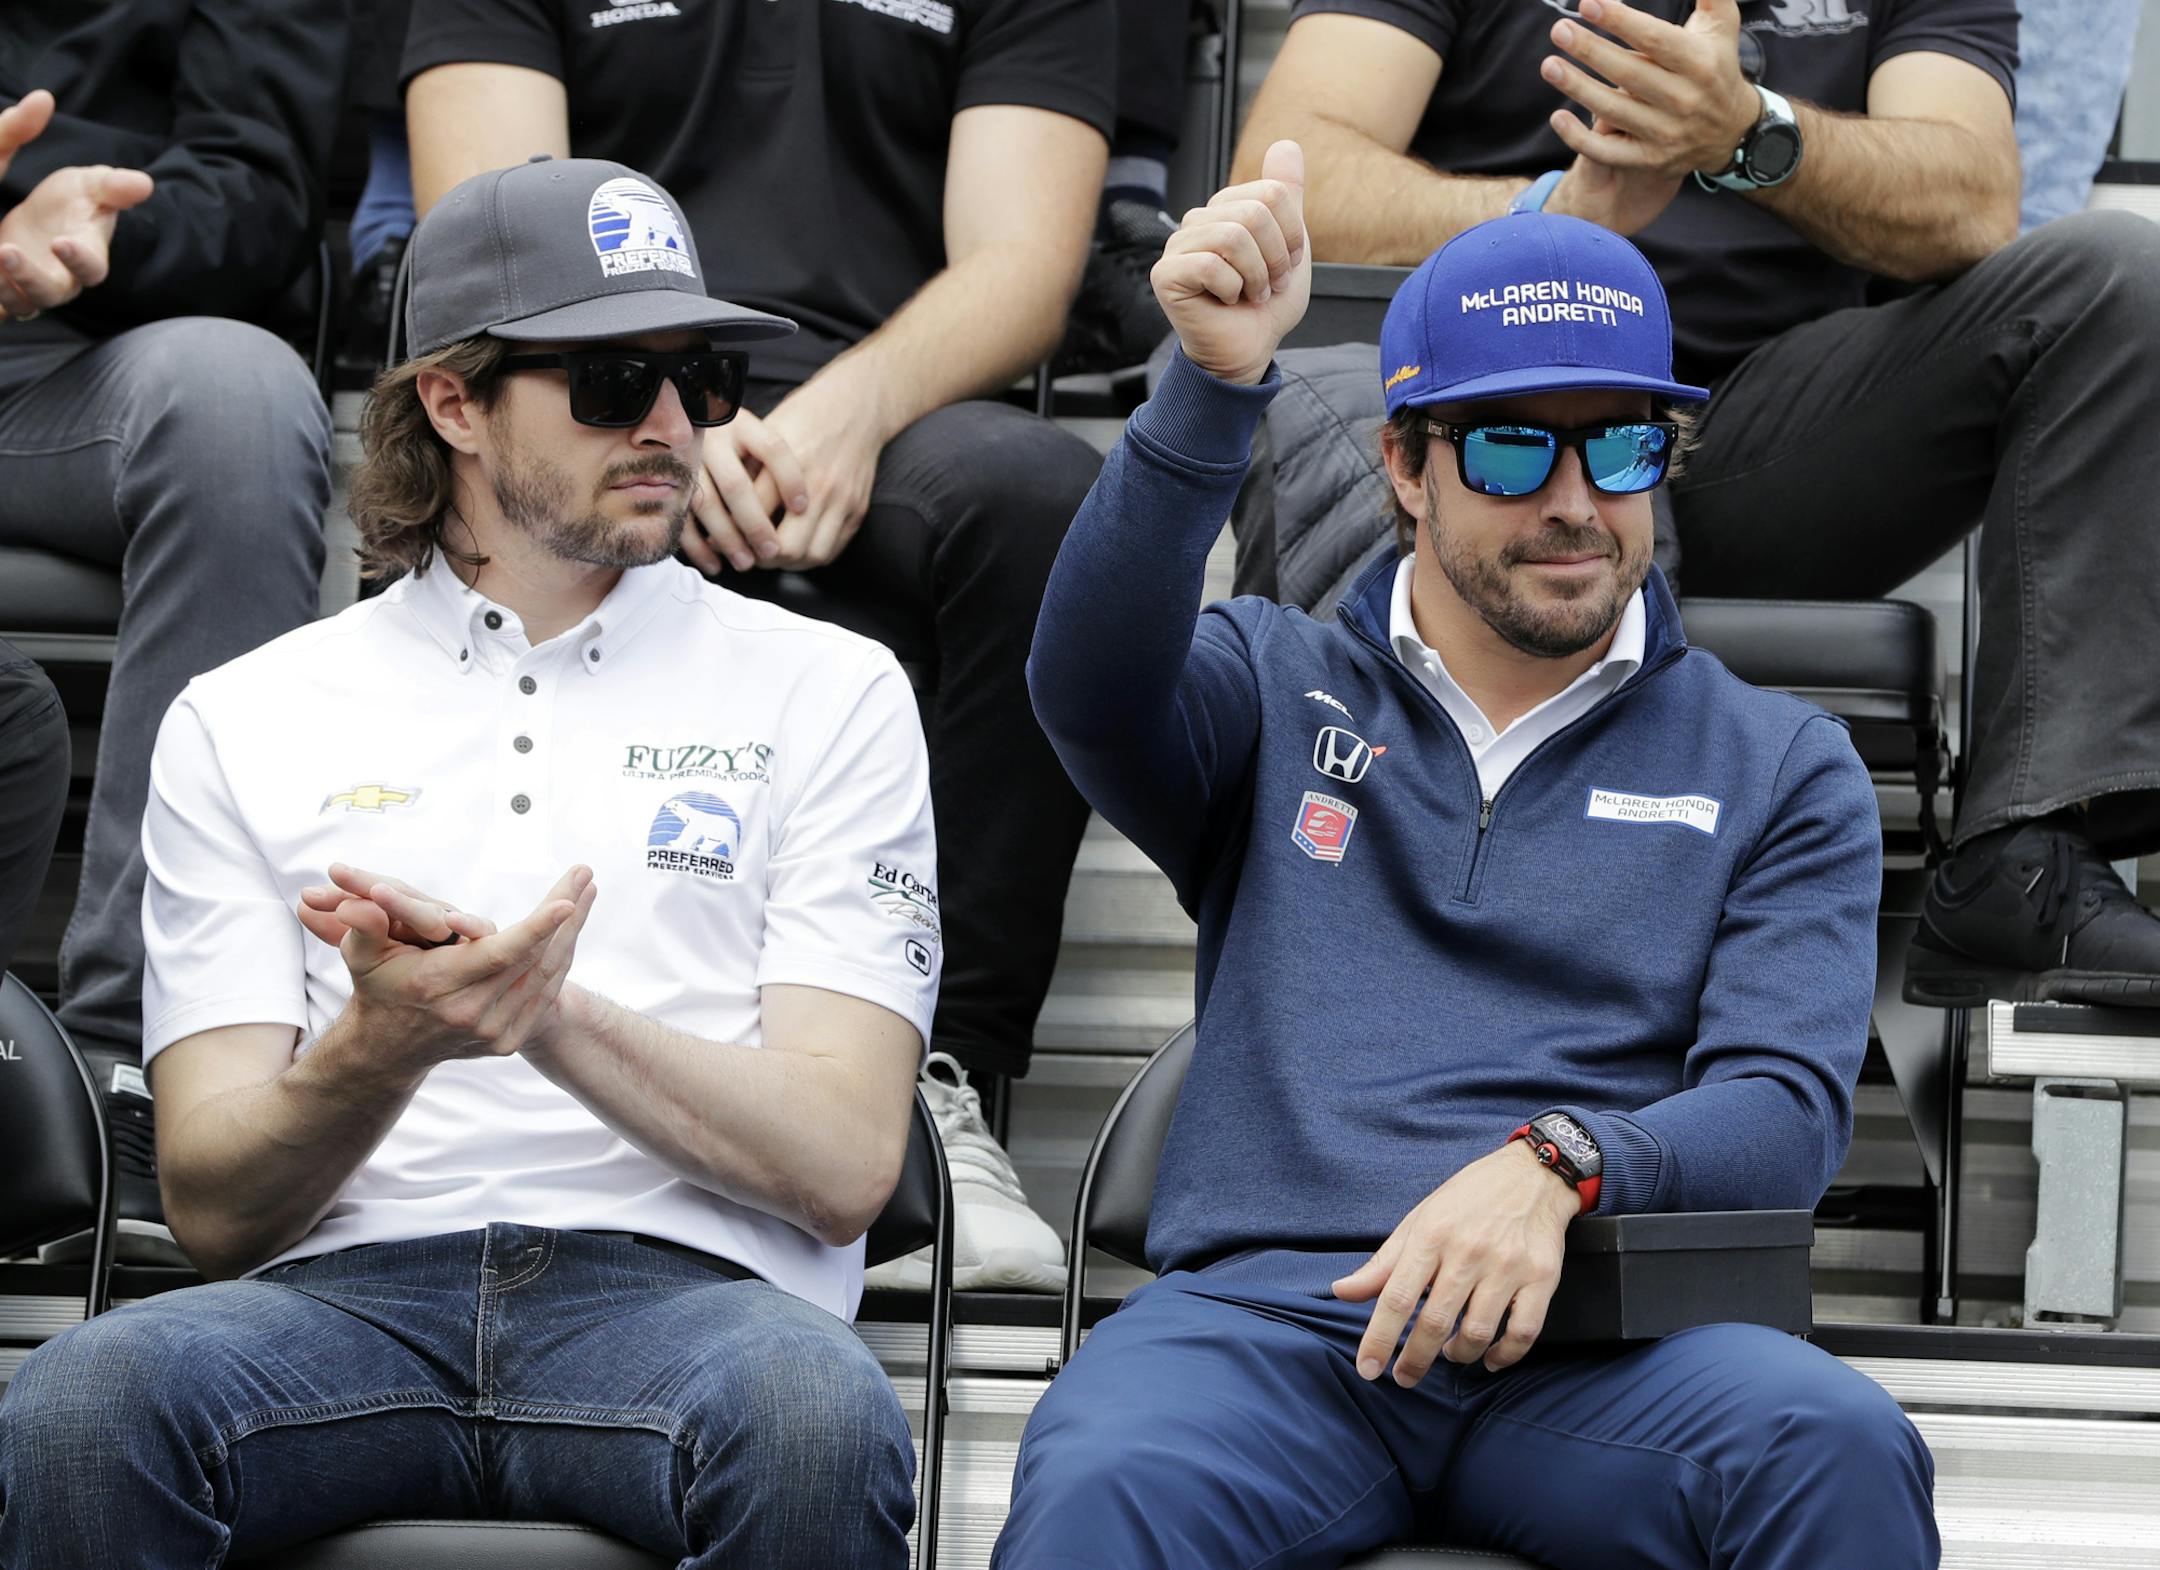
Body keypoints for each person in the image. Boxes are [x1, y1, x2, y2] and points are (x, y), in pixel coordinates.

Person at [998, 144, 1933, 1570]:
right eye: (1509, 444)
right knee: (1105, 1476)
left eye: (1621, 443)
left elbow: (1785, 1114)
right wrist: (1208, 381)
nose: (1574, 499)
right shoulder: (1272, 681)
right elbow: (1084, 681)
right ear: (1404, 465)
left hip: (1603, 1342)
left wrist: (1562, 1162)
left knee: (1837, 1445)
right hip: (1274, 1330)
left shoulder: (1777, 759)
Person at [0, 158, 930, 1569]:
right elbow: (211, 1202)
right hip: (334, 1302)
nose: (676, 425)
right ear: (454, 402)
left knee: (815, 1414)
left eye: (710, 376)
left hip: (698, 1305)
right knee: (79, 1404)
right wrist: (382, 1044)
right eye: (617, 381)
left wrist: (540, 1013)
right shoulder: (248, 710)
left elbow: (851, 1160)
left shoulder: (832, 688)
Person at [1232, 0, 2160, 1009]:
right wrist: (1557, 221)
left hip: (1769, 427)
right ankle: (1382, 933)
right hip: (1503, 402)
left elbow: (1973, 203)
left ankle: (2020, 863)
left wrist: (1752, 133)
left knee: (2118, 278)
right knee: (1373, 402)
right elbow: (1288, 179)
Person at [400, 0, 1118, 1290]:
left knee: (1045, 503)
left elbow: (1022, 261)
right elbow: (488, 248)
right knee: (530, 473)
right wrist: (657, 416)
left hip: (894, 401)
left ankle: (933, 1088)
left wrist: (845, 406)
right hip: (583, 386)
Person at [0, 0, 346, 1229]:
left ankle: (143, 1057)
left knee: (240, 400)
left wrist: (83, 224)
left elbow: (256, 193)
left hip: (75, 352)